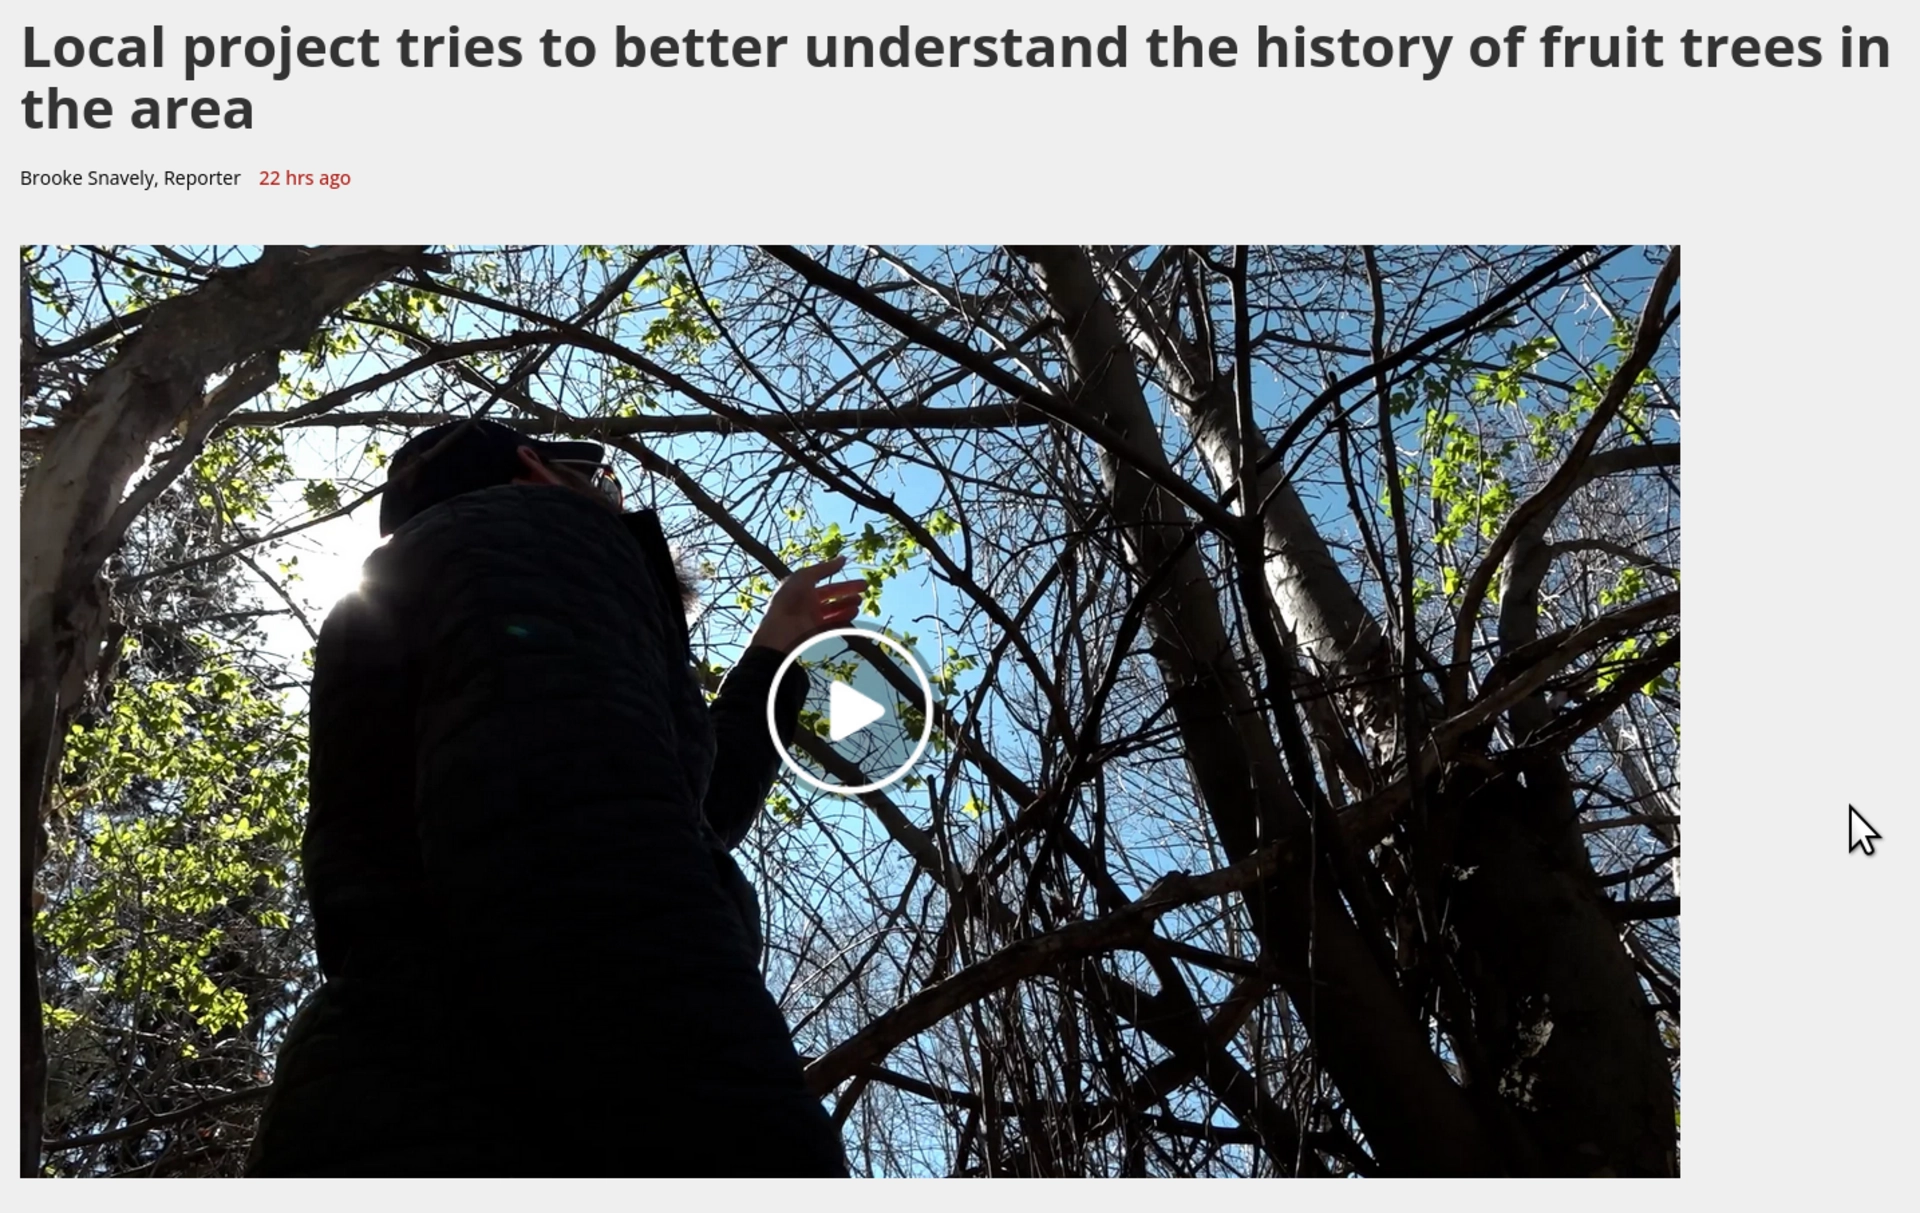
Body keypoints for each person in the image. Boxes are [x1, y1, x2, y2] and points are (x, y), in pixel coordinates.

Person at [246, 417, 863, 1177]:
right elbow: (584, 854)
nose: (615, 503)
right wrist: (750, 1137)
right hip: (503, 1114)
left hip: (396, 1098)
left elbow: (670, 810)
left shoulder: (441, 578)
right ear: (536, 468)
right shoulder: (538, 532)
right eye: (605, 484)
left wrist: (773, 652)